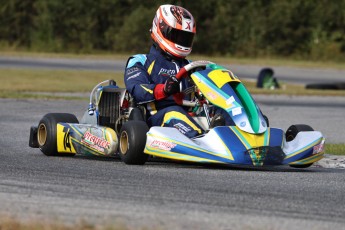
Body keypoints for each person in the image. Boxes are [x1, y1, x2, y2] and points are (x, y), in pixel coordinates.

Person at [124, 4, 204, 138]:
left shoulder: (192, 66)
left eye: (185, 38)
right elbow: (137, 89)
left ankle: (246, 141)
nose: (182, 41)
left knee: (221, 111)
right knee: (174, 113)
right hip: (155, 119)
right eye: (177, 36)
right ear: (161, 28)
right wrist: (163, 90)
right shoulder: (140, 61)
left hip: (191, 115)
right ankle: (200, 141)